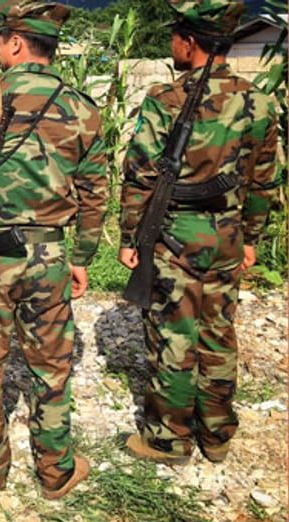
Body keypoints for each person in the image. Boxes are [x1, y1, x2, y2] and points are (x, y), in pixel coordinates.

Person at [0, 0, 107, 499]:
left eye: (1, 44)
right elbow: (96, 191)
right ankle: (56, 471)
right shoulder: (82, 107)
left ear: (14, 43)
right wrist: (82, 257)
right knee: (52, 367)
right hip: (51, 255)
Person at [119, 0, 280, 464]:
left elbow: (141, 175)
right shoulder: (259, 102)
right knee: (218, 329)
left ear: (189, 42)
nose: (172, 45)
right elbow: (263, 178)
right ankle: (217, 433)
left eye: (174, 37)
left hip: (175, 235)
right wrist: (250, 236)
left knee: (174, 331)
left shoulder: (165, 99)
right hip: (227, 232)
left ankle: (169, 440)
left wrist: (132, 238)